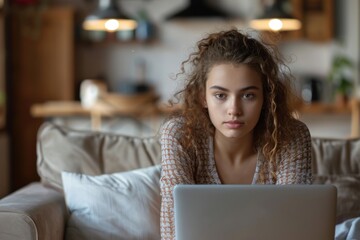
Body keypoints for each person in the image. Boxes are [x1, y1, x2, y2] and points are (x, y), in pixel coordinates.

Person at [159, 29, 312, 240]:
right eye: (220, 95)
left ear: (266, 98)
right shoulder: (179, 136)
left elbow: (293, 228)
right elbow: (173, 232)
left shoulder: (292, 136)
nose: (234, 109)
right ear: (203, 97)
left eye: (248, 95)